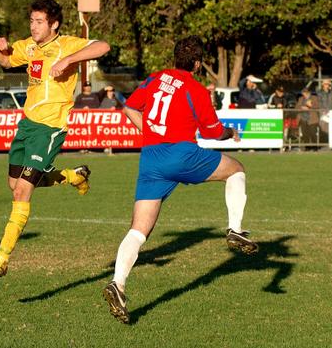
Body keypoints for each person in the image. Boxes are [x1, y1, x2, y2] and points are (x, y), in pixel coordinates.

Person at [101, 36, 258, 324]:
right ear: (197, 64)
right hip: (181, 154)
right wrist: (230, 133)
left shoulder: (154, 79)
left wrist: (149, 133)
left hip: (151, 159)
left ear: (174, 58)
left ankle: (118, 283)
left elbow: (130, 109)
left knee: (139, 229)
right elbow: (212, 132)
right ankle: (235, 229)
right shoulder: (196, 89)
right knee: (236, 169)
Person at [0, 0, 110, 282]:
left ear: (54, 24)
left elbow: (103, 46)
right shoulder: (30, 46)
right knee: (14, 184)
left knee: (21, 192)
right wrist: (0, 51)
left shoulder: (68, 44)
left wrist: (69, 60)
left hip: (50, 128)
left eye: (39, 22)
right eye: (32, 21)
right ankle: (73, 176)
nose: (33, 26)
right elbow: (7, 61)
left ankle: (0, 260)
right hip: (27, 125)